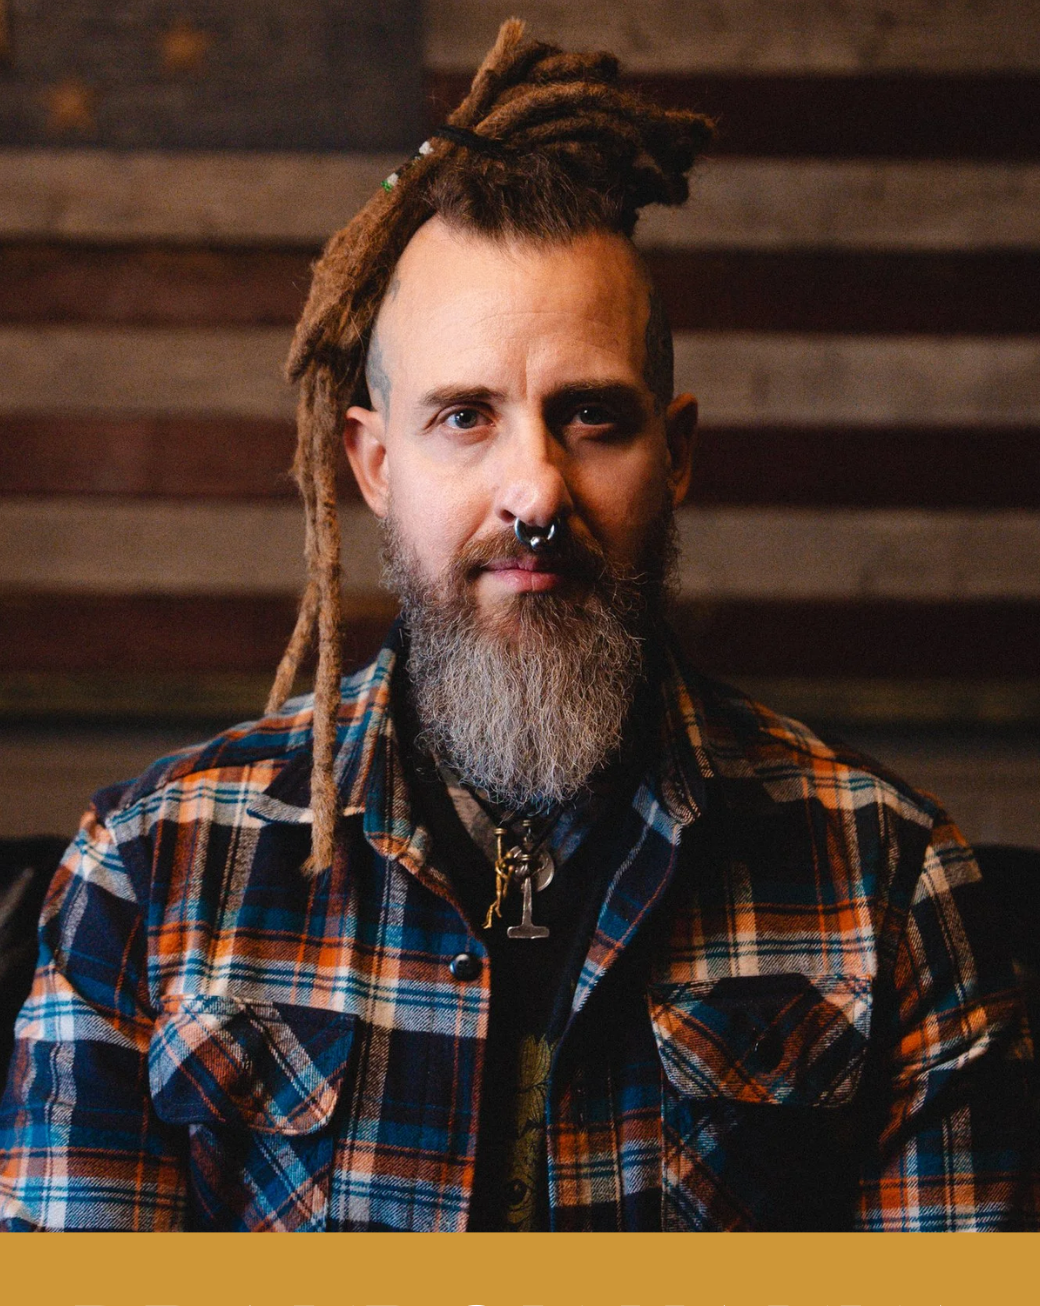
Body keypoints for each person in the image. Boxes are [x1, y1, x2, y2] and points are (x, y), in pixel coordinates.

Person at [0, 20, 1034, 1232]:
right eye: (463, 417)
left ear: (677, 455)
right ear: (372, 464)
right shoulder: (148, 875)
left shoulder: (887, 884)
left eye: (591, 415)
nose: (535, 488)